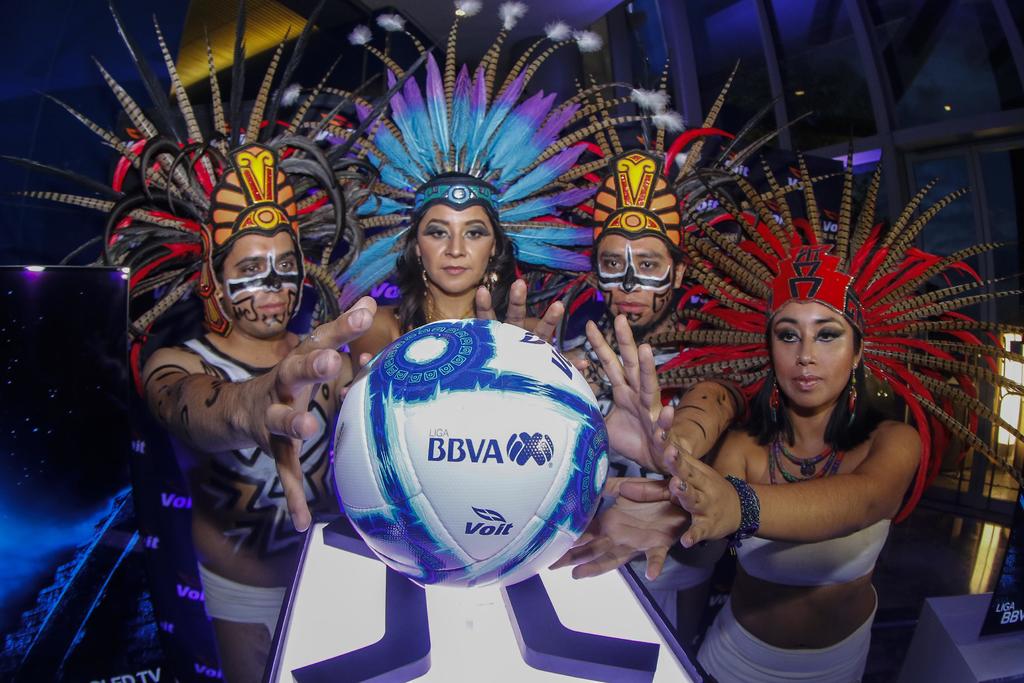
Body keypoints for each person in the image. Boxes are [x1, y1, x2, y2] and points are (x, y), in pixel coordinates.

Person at [14, 7, 394, 680]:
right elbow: (195, 407)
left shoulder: (323, 354)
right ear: (212, 279)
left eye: (285, 265)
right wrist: (253, 406)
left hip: (336, 582)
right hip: (236, 601)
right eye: (250, 269)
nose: (273, 285)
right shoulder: (178, 362)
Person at [573, 155, 1024, 681]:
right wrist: (681, 511)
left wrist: (735, 504)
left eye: (827, 335)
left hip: (844, 664)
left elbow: (862, 500)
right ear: (770, 348)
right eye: (788, 335)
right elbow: (710, 444)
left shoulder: (893, 442)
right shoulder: (745, 448)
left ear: (859, 351)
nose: (806, 354)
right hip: (735, 662)